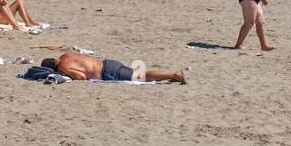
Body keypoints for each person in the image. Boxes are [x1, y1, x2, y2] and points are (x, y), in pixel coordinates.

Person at [40, 53, 186, 83]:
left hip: (107, 72)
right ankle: (170, 76)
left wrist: (66, 74)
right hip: (108, 63)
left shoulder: (63, 66)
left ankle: (174, 75)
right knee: (139, 75)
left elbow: (82, 77)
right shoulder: (66, 55)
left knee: (143, 76)